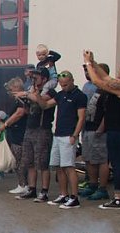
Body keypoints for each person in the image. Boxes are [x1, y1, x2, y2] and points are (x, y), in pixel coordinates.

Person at [84, 51, 120, 210]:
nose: (119, 70)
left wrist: (88, 64)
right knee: (118, 162)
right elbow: (106, 78)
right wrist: (93, 62)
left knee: (118, 163)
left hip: (119, 130)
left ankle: (118, 199)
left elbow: (98, 81)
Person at [34, 70, 87, 209]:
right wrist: (37, 96)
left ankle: (74, 197)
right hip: (57, 134)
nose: (63, 87)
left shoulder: (79, 96)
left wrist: (75, 135)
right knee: (58, 166)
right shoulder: (61, 94)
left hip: (69, 135)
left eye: (66, 84)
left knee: (69, 167)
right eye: (62, 85)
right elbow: (45, 105)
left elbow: (81, 117)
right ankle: (63, 195)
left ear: (72, 81)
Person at [15, 67, 55, 202]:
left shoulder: (51, 92)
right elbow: (28, 109)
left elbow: (42, 102)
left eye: (36, 77)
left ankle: (44, 191)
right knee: (29, 161)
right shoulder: (32, 90)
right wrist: (24, 99)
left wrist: (26, 94)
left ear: (44, 78)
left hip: (42, 129)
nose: (33, 79)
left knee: (42, 163)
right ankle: (32, 189)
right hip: (30, 128)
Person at [79, 64, 111, 201]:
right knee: (89, 158)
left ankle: (102, 188)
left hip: (99, 129)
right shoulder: (94, 88)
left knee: (101, 160)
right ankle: (92, 184)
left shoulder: (107, 90)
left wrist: (101, 127)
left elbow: (108, 112)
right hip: (88, 127)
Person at [0, 77, 29, 195]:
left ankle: (23, 184)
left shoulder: (22, 100)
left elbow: (19, 113)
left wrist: (6, 124)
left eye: (11, 90)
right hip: (16, 133)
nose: (10, 93)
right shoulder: (19, 100)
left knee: (19, 160)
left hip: (20, 134)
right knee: (18, 160)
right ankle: (22, 183)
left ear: (17, 88)